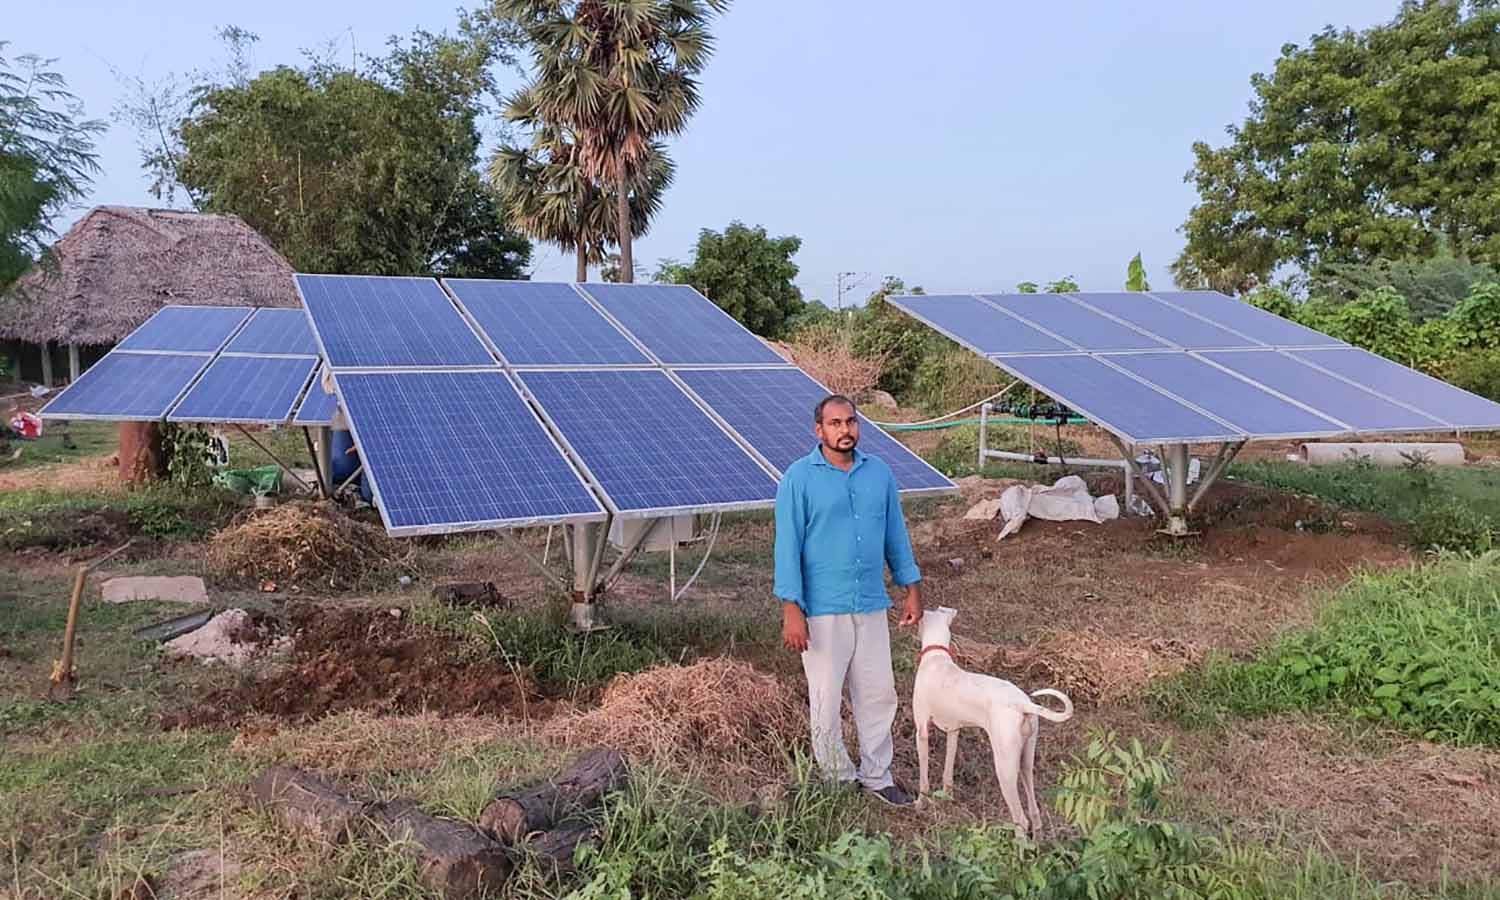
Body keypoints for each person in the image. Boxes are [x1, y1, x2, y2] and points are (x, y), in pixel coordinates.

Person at [773, 393, 922, 805]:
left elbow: (896, 534)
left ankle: (878, 776)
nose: (845, 430)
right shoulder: (798, 478)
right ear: (818, 430)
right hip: (822, 608)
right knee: (825, 697)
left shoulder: (880, 475)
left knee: (878, 693)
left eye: (851, 422)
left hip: (871, 603)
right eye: (835, 423)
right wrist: (791, 608)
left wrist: (911, 589)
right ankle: (837, 778)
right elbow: (788, 546)